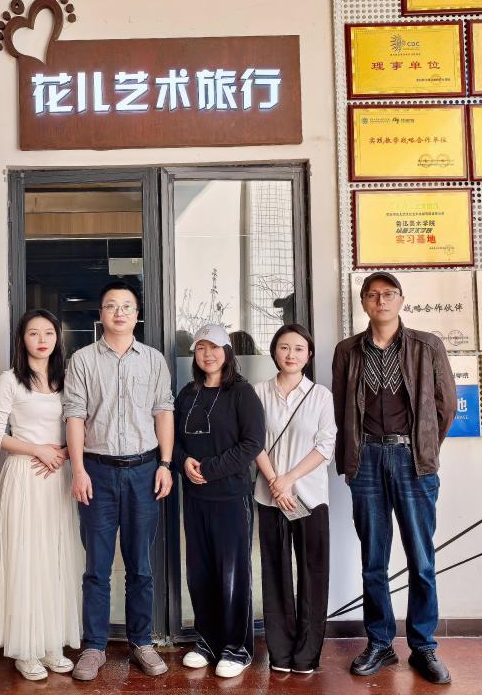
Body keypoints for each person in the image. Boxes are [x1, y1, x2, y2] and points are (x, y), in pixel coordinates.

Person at [332, 272, 457, 686]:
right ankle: (380, 643)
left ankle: (423, 646)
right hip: (366, 458)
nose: (381, 301)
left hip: (412, 460)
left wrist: (423, 447)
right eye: (373, 295)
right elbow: (341, 409)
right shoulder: (348, 351)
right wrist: (351, 459)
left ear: (401, 300)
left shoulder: (427, 345)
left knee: (421, 559)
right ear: (363, 303)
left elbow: (445, 405)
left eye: (388, 294)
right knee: (374, 560)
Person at [62, 281, 175, 681]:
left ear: (137, 314)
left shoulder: (154, 360)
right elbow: (74, 415)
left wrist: (165, 464)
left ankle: (141, 642)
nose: (119, 312)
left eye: (126, 306)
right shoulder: (82, 360)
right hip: (97, 471)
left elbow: (163, 412)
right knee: (97, 566)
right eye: (111, 305)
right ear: (101, 314)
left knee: (140, 565)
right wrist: (78, 469)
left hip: (145, 471)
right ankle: (94, 647)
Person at [0, 309, 83, 681]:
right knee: (25, 558)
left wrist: (65, 453)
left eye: (49, 333)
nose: (42, 339)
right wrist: (37, 450)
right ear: (22, 339)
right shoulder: (9, 380)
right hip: (25, 475)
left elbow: (82, 424)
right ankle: (26, 648)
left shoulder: (68, 379)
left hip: (58, 476)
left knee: (55, 558)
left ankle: (52, 643)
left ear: (58, 338)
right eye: (33, 333)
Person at [174, 323, 264, 678]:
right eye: (200, 348)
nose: (207, 354)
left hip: (231, 497)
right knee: (200, 573)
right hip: (195, 497)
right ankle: (207, 641)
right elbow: (172, 439)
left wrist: (210, 469)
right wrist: (183, 462)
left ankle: (236, 647)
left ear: (227, 352)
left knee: (233, 574)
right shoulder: (188, 394)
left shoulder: (242, 393)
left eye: (214, 347)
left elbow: (252, 443)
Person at [253, 323, 336, 674]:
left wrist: (288, 479)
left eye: (299, 349)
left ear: (309, 355)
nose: (291, 354)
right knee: (275, 572)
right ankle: (281, 653)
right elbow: (253, 440)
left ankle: (307, 654)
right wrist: (275, 482)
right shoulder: (258, 393)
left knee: (313, 572)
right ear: (274, 351)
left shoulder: (320, 396)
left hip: (308, 497)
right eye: (284, 347)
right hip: (270, 497)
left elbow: (326, 446)